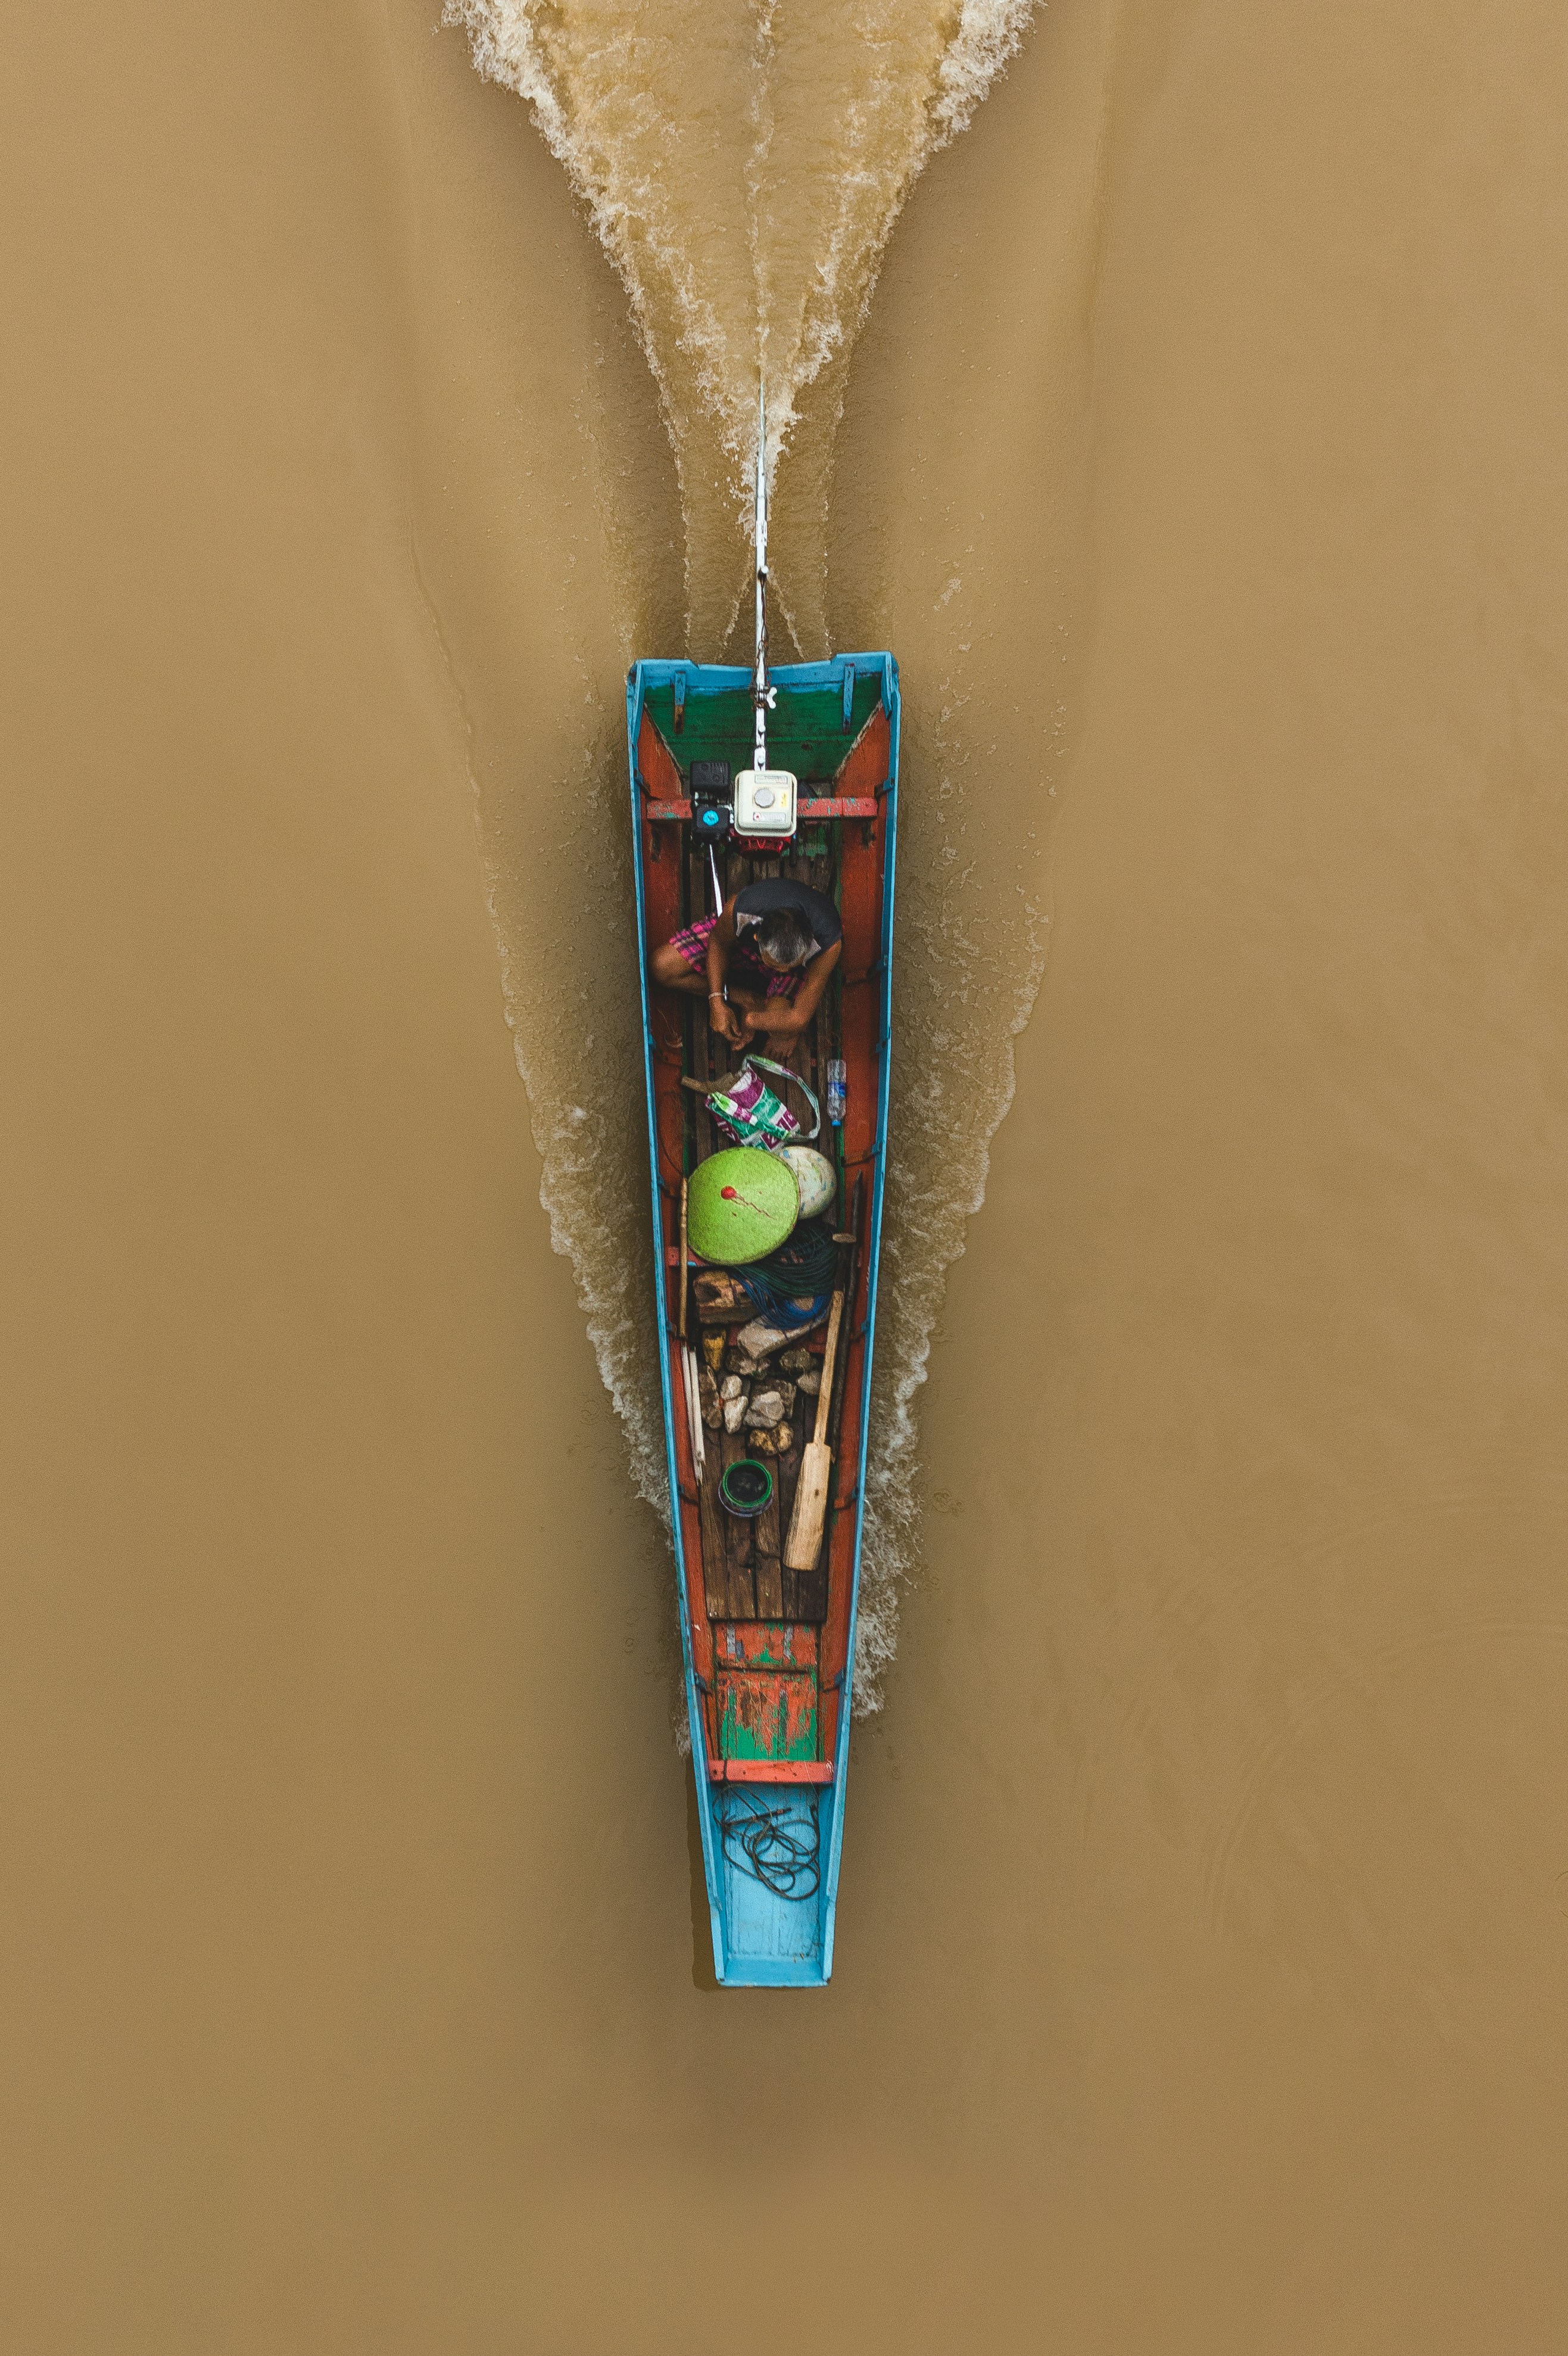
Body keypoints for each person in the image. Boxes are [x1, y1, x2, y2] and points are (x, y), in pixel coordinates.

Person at [651, 875, 842, 1057]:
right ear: (757, 937)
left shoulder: (829, 945)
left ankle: (769, 996)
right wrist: (716, 1001)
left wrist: (753, 1019)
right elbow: (718, 942)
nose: (781, 970)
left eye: (789, 964)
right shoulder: (742, 910)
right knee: (661, 967)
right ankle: (745, 996)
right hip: (742, 947)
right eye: (775, 964)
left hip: (793, 968)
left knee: (781, 1030)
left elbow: (800, 1018)